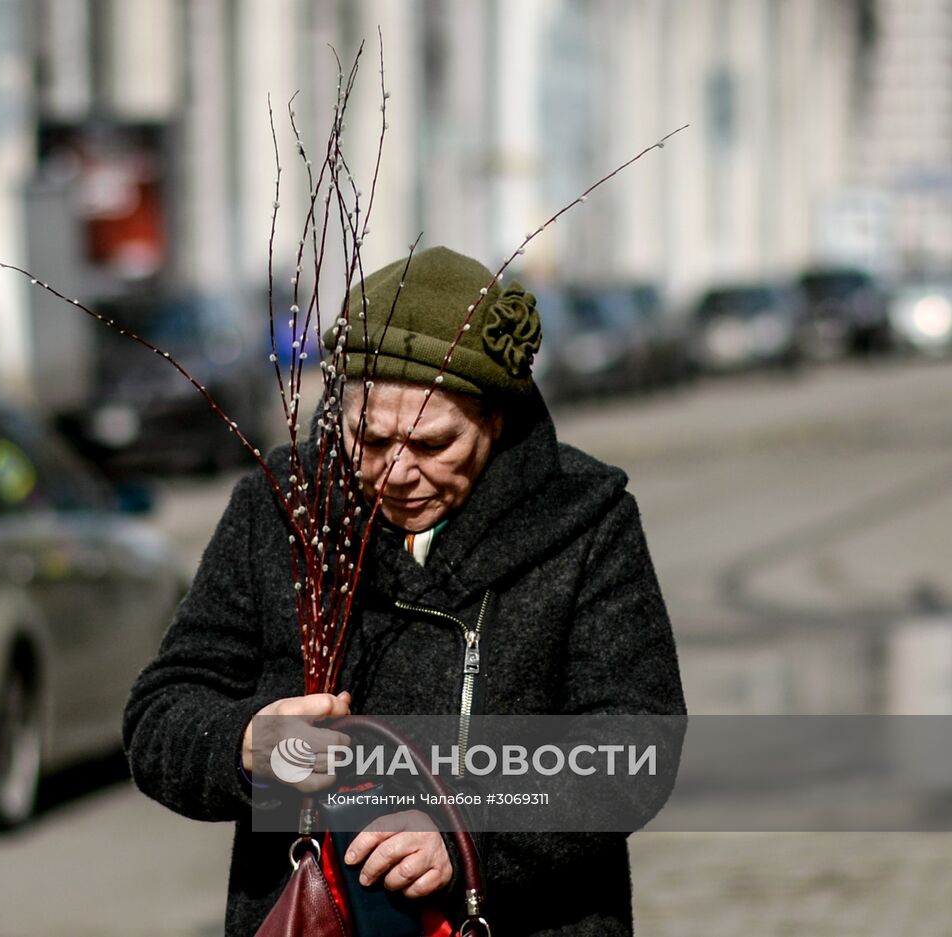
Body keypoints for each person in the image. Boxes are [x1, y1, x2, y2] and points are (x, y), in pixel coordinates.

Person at [123, 246, 686, 936]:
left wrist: (468, 835)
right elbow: (161, 713)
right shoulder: (281, 509)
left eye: (431, 444)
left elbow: (635, 746)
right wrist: (242, 743)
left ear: (496, 419)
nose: (395, 471)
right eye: (371, 437)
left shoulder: (584, 522)